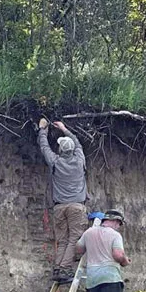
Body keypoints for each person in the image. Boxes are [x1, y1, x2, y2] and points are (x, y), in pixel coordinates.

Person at [38, 118, 87, 280]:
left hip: (59, 207)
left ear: (60, 149)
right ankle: (65, 269)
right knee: (74, 239)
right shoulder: (79, 160)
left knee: (63, 240)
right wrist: (64, 129)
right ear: (72, 150)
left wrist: (42, 130)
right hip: (76, 207)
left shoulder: (55, 162)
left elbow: (44, 147)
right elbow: (77, 143)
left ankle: (58, 269)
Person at [75, 209, 131, 292]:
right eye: (119, 224)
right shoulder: (115, 235)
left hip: (92, 280)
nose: (118, 227)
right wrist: (125, 260)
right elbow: (118, 255)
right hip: (110, 279)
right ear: (116, 221)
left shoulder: (89, 232)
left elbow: (79, 249)